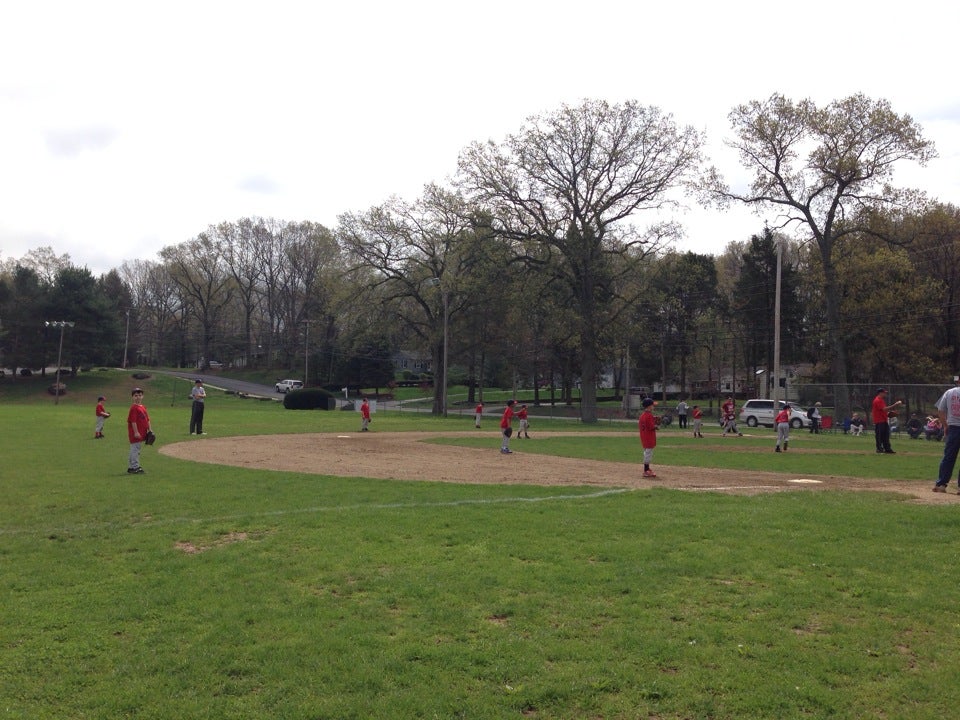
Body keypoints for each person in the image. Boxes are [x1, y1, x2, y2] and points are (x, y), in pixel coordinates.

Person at [933, 378, 960, 493]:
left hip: (953, 427)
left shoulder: (950, 392)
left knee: (948, 457)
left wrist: (945, 425)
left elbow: (940, 410)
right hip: (954, 427)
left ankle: (941, 484)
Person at [127, 387, 152, 474]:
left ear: (143, 396)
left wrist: (150, 430)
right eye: (136, 395)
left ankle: (131, 467)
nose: (138, 397)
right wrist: (136, 432)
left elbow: (147, 419)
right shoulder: (134, 408)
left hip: (142, 432)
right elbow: (133, 421)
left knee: (134, 449)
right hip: (136, 434)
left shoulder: (142, 407)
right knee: (135, 450)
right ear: (132, 397)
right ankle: (135, 467)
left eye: (140, 395)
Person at [872, 387, 903, 454]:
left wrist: (889, 414)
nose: (885, 394)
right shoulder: (877, 400)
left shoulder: (881, 400)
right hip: (879, 421)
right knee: (880, 436)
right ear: (880, 393)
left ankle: (887, 449)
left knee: (886, 435)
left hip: (884, 420)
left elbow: (883, 410)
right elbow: (884, 409)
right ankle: (879, 449)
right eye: (884, 392)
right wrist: (895, 404)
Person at [639, 397, 658, 477]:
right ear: (649, 406)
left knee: (646, 452)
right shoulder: (649, 415)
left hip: (644, 437)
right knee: (648, 454)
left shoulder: (642, 415)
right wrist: (657, 426)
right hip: (649, 437)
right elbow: (651, 427)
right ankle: (646, 470)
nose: (653, 407)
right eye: (652, 405)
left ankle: (647, 469)